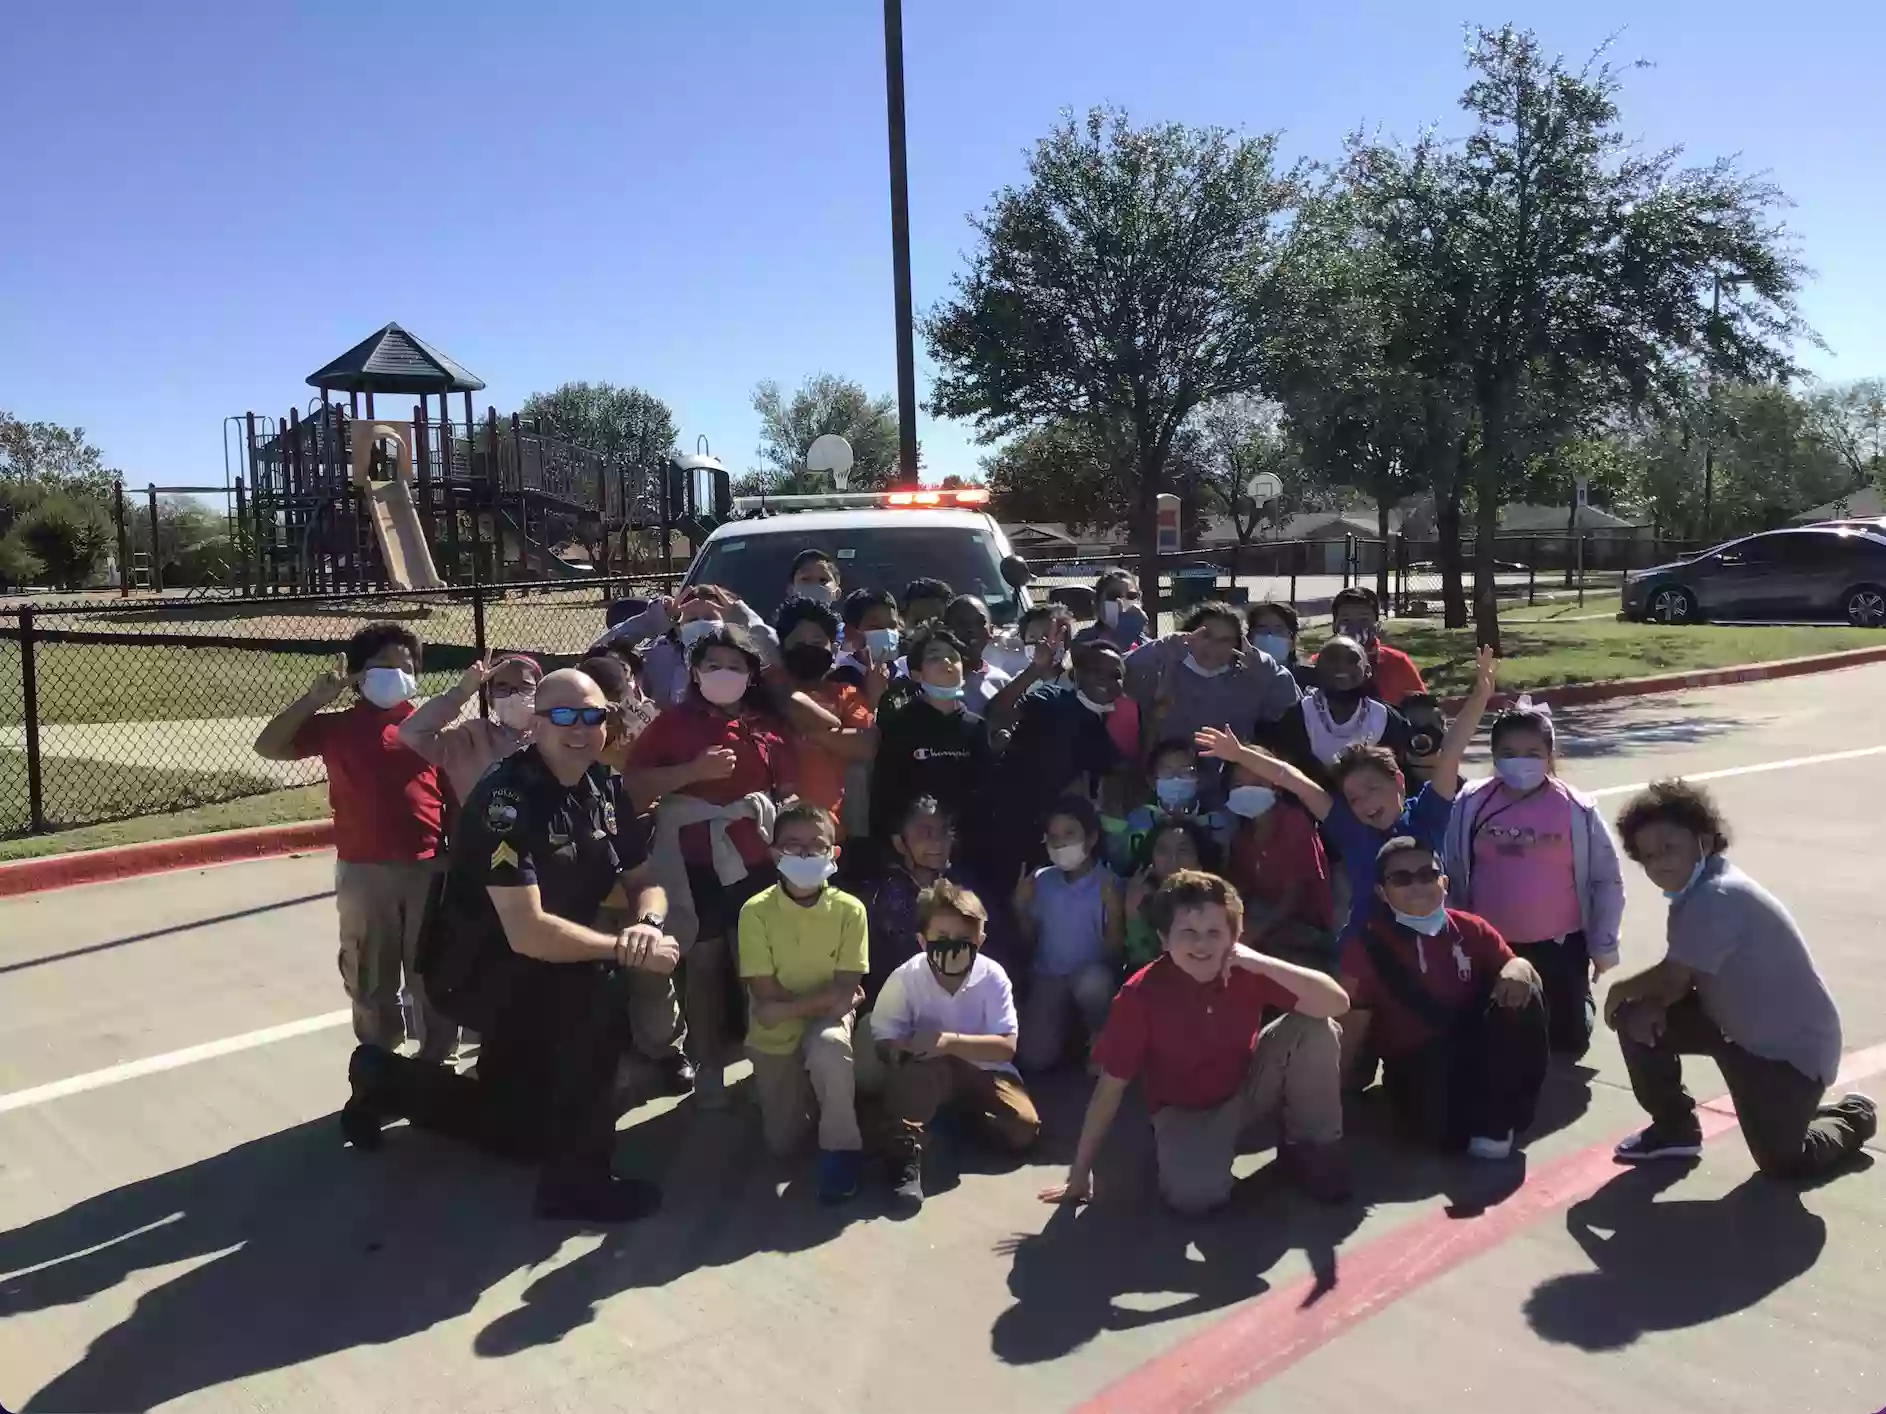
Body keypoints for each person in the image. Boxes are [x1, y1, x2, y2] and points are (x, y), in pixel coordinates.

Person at [352, 668, 679, 1222]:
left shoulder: (604, 787)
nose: (579, 728)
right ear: (537, 723)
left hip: (549, 962)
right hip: (483, 971)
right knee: (598, 1001)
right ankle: (575, 1184)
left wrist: (647, 923)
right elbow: (526, 931)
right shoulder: (507, 799)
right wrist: (620, 948)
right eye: (564, 716)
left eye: (592, 716)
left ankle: (389, 1081)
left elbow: (645, 879)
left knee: (521, 1132)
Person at [1605, 781, 1875, 1177]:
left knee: (1785, 1162)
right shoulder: (1695, 891)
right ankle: (1675, 1128)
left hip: (1788, 1056)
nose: (1659, 863)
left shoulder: (1717, 895)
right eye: (1647, 856)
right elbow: (1683, 978)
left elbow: (1673, 980)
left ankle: (1854, 1116)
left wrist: (1621, 989)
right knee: (1636, 1018)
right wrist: (1647, 1005)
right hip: (1733, 1027)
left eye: (1669, 847)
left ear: (1704, 840)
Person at [1040, 871, 1351, 1214]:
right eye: (1187, 933)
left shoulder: (1246, 968)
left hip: (1248, 1085)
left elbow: (1337, 1003)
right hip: (1185, 1112)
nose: (1201, 944)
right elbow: (1109, 1088)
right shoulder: (1140, 995)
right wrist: (1080, 1173)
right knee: (1194, 1200)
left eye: (1214, 933)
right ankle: (1192, 1154)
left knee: (1316, 1028)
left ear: (1235, 938)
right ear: (1164, 939)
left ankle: (1309, 1147)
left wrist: (1261, 962)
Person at [254, 623, 456, 1071]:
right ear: (359, 675)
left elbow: (452, 794)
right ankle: (379, 1061)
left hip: (429, 867)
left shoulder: (429, 728)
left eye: (404, 667)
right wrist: (314, 699)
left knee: (432, 970)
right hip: (365, 871)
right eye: (382, 666)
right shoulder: (337, 727)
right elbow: (268, 746)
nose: (395, 675)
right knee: (369, 970)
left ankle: (436, 1060)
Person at [1198, 645, 1498, 937]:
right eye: (1354, 797)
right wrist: (1239, 755)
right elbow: (1292, 779)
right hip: (1368, 948)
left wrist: (1481, 695)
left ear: (1399, 782)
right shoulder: (1349, 826)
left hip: (1436, 935)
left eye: (1372, 788)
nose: (1365, 801)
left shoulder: (1428, 815)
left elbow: (1450, 754)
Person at [625, 624, 797, 1108]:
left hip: (757, 861)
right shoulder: (672, 724)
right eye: (713, 666)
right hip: (693, 862)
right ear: (695, 673)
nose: (724, 674)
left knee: (758, 966)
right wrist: (691, 773)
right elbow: (635, 786)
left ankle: (766, 1062)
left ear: (751, 673)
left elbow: (788, 791)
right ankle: (708, 1063)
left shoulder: (766, 725)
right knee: (702, 962)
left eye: (735, 666)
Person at [1336, 838, 1548, 1160]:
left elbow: (1515, 965)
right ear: (1382, 892)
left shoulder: (1471, 928)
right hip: (1419, 1062)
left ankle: (1506, 1115)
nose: (1417, 885)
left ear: (1444, 882)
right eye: (1401, 879)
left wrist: (1519, 967)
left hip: (1476, 1044)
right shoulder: (1365, 949)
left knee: (1524, 985)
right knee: (1444, 1136)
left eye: (1427, 874)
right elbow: (1350, 1030)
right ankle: (1483, 1116)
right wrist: (1334, 1097)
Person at [1439, 698, 1624, 1059]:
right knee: (1492, 1037)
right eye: (1508, 752)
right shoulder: (1471, 802)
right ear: (1493, 755)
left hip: (1559, 943)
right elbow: (1452, 867)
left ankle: (1577, 993)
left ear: (1550, 755)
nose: (1520, 761)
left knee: (1567, 1044)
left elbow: (1607, 879)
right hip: (1491, 942)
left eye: (1532, 752)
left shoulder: (1577, 808)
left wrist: (1603, 943)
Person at [871, 880, 1040, 1210]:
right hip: (928, 1068)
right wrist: (900, 1049)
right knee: (913, 1084)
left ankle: (961, 1120)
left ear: (980, 940)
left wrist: (950, 1042)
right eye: (941, 940)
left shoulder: (993, 977)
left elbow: (1006, 1046)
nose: (951, 949)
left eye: (963, 941)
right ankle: (902, 1153)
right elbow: (881, 1036)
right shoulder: (906, 978)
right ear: (922, 941)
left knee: (1023, 1130)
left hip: (984, 1070)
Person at [738, 801, 869, 1202]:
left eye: (817, 845)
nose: (805, 854)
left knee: (829, 1047)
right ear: (774, 853)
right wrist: (832, 999)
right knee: (784, 1145)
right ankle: (808, 1092)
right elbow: (764, 992)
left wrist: (786, 1009)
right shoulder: (755, 911)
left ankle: (841, 1150)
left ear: (835, 854)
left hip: (815, 1023)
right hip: (774, 1036)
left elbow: (844, 990)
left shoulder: (851, 910)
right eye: (792, 845)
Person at [974, 640, 1128, 878]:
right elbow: (997, 711)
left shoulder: (1101, 729)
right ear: (1077, 675)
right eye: (1097, 671)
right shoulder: (1052, 698)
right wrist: (1034, 670)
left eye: (1115, 675)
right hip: (1010, 830)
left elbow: (1124, 775)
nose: (1106, 680)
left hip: (1058, 843)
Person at [1013, 795, 1124, 1073]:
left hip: (1091, 978)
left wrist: (1115, 910)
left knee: (1094, 984)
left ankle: (1100, 1037)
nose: (1061, 842)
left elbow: (1115, 951)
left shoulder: (1109, 883)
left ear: (1092, 837)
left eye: (1070, 833)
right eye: (1053, 836)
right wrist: (1020, 907)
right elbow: (1030, 940)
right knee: (1034, 1058)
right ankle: (1071, 1040)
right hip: (1048, 976)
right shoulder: (1040, 881)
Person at [1126, 600, 1300, 754]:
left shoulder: (1248, 675)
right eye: (1206, 636)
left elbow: (1289, 705)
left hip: (1230, 779)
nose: (1214, 647)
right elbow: (1125, 673)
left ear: (1238, 644)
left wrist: (1262, 665)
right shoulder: (1167, 667)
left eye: (1225, 640)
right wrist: (1164, 647)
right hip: (1171, 776)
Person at [870, 623, 993, 838]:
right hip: (914, 846)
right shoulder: (901, 725)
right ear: (917, 674)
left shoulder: (976, 727)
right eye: (934, 657)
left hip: (965, 845)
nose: (946, 662)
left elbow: (986, 794)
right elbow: (885, 796)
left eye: (953, 658)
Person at [772, 597, 880, 834]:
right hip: (770, 832)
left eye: (817, 641)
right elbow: (793, 704)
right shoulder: (766, 687)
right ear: (781, 648)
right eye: (798, 642)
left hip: (830, 832)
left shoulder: (847, 693)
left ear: (833, 647)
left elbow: (866, 744)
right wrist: (835, 729)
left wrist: (808, 730)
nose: (808, 648)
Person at [1263, 637, 1414, 788]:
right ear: (1317, 669)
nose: (1341, 666)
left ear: (1367, 671)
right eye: (1332, 660)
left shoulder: (1388, 720)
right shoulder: (1295, 719)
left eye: (1352, 660)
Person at [595, 584, 776, 708]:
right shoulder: (655, 657)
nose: (701, 624)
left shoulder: (745, 662)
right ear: (677, 626)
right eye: (693, 619)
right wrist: (653, 621)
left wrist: (744, 618)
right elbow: (597, 658)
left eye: (709, 619)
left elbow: (776, 656)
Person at [1223, 763, 1334, 960]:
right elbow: (1242, 887)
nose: (1247, 791)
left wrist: (1254, 933)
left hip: (1307, 927)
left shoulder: (1295, 822)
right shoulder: (1242, 834)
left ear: (1275, 786)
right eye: (1239, 783)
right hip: (1266, 921)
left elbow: (1294, 895)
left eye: (1258, 783)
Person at [1113, 736, 1233, 872]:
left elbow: (1224, 868)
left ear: (1198, 779)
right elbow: (1123, 864)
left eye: (1185, 772)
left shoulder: (1216, 823)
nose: (1176, 778)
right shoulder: (1138, 819)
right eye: (1167, 772)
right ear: (1152, 781)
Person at [1120, 816, 1217, 969]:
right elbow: (1140, 961)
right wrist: (1132, 911)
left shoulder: (1217, 899)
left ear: (1199, 860)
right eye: (1163, 850)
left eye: (1182, 850)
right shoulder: (1140, 895)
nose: (1173, 859)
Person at [1331, 586, 1426, 707]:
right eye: (1346, 620)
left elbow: (1424, 711)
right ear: (1334, 626)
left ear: (1377, 626)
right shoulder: (1320, 664)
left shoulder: (1398, 663)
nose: (1355, 626)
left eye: (1364, 620)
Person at [942, 593, 1013, 714]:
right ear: (946, 630)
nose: (971, 629)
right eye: (962, 623)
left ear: (991, 631)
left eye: (980, 622)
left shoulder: (1002, 681)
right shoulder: (933, 679)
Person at [831, 587, 903, 687]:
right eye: (875, 627)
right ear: (850, 632)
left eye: (892, 626)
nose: (887, 632)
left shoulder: (904, 673)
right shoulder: (840, 678)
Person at [1073, 570, 1150, 653]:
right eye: (1114, 595)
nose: (1122, 602)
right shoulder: (1084, 639)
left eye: (1131, 595)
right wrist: (1127, 629)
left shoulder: (1147, 643)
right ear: (1097, 602)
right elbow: (1111, 660)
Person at [1245, 601, 1316, 692]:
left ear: (1292, 641)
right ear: (1250, 638)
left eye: (1278, 630)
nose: (1269, 636)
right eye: (1262, 629)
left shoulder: (1310, 680)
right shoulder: (1237, 680)